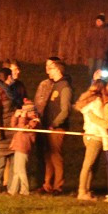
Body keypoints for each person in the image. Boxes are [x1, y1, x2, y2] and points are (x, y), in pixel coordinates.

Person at [34, 58, 72, 194]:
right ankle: (47, 184)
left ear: (57, 70)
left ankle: (58, 186)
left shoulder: (65, 87)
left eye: (51, 68)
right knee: (48, 156)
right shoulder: (55, 85)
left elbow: (65, 110)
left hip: (56, 128)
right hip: (48, 126)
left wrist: (54, 124)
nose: (48, 71)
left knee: (56, 156)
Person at [75, 80, 106, 200]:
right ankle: (82, 191)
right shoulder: (98, 102)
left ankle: (87, 190)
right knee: (89, 165)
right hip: (96, 135)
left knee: (91, 165)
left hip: (88, 134)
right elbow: (100, 119)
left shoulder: (88, 102)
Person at [8, 100, 39, 195]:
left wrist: (22, 117)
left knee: (21, 170)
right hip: (18, 145)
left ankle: (24, 190)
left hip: (24, 146)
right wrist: (15, 116)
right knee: (16, 170)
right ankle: (13, 190)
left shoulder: (34, 121)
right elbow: (14, 126)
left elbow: (22, 128)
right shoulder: (25, 120)